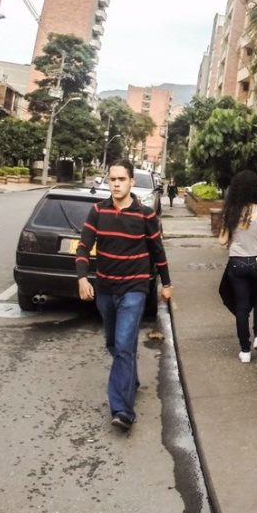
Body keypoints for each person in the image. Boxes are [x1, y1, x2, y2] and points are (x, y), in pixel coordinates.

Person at [75, 160, 172, 431]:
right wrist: (82, 277)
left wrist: (166, 284)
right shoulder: (97, 212)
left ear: (131, 182)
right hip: (105, 289)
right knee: (114, 344)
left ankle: (122, 410)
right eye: (112, 179)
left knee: (123, 344)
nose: (116, 184)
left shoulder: (145, 216)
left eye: (121, 179)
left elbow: (158, 251)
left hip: (134, 289)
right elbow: (83, 247)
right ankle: (131, 379)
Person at [218, 170, 257, 363]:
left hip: (237, 263)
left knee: (242, 306)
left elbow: (222, 241)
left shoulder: (231, 211)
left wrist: (228, 228)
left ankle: (245, 350)